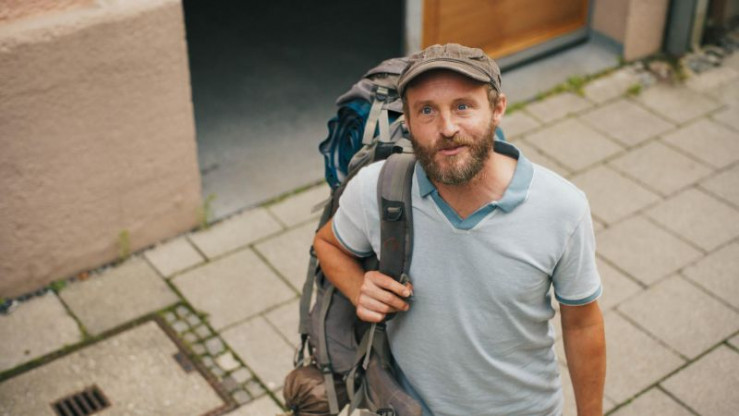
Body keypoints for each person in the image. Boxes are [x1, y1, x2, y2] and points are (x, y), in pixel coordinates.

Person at [314, 43, 606, 416]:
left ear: (497, 109)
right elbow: (327, 244)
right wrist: (359, 288)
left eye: (463, 106)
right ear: (408, 121)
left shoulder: (562, 208)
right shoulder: (376, 188)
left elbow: (582, 325)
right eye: (427, 111)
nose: (448, 128)